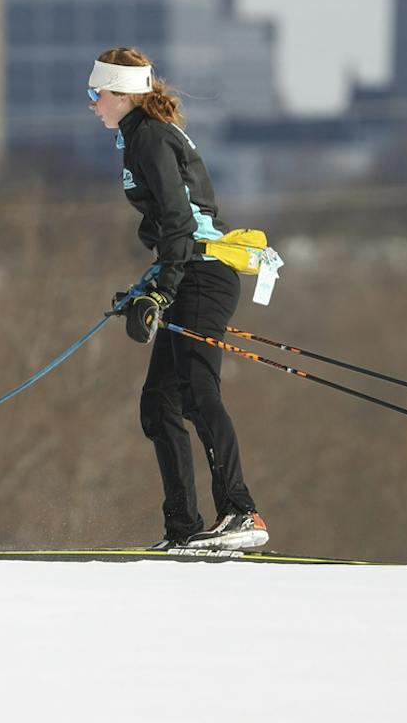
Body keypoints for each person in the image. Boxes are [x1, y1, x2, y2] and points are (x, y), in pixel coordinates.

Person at [88, 46, 268, 552]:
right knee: (158, 404)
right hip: (191, 271)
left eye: (95, 93)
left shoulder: (148, 138)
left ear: (122, 95)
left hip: (203, 275)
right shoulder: (140, 136)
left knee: (195, 393)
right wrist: (150, 288)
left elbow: (179, 223)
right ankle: (183, 529)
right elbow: (177, 226)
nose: (92, 103)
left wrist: (162, 288)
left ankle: (239, 511)